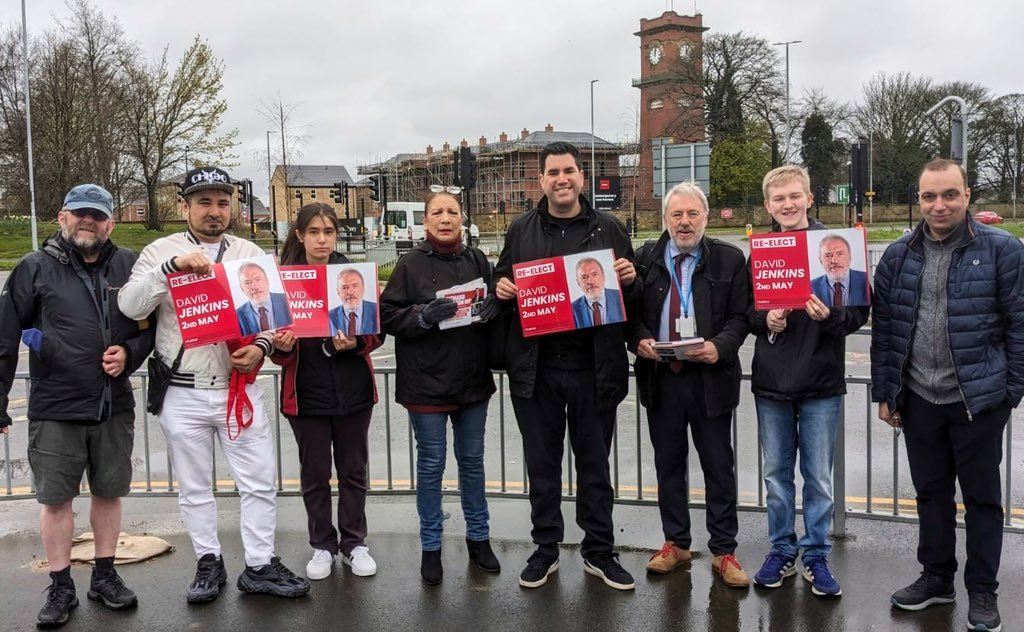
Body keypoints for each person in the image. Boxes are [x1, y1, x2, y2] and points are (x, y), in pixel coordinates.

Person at [118, 166, 309, 603]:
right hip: (182, 391)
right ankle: (208, 561)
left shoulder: (248, 252)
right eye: (204, 202)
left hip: (236, 387)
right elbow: (130, 306)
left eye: (223, 202)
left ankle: (260, 563)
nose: (214, 211)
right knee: (195, 486)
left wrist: (261, 346)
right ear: (184, 206)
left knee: (259, 482)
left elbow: (275, 316)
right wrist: (171, 268)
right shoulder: (159, 250)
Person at [872, 158, 1023, 632]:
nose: (940, 205)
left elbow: (1020, 325)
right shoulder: (898, 254)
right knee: (930, 494)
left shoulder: (1003, 250)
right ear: (919, 199)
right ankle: (936, 578)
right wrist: (886, 392)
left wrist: (1010, 391)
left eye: (949, 194)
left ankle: (983, 591)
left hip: (978, 400)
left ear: (967, 195)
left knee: (981, 499)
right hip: (919, 399)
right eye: (930, 196)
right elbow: (887, 331)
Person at [0, 184, 154, 628]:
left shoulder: (129, 264)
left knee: (109, 494)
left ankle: (104, 576)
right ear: (62, 218)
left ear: (110, 222)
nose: (89, 221)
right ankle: (61, 585)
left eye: (98, 215)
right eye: (80, 214)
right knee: (56, 502)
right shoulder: (33, 268)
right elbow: (5, 337)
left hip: (112, 404)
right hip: (55, 405)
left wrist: (130, 352)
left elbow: (150, 324)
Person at [494, 142, 639, 591]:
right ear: (542, 181)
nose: (562, 179)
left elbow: (630, 300)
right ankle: (546, 549)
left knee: (595, 466)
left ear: (582, 177)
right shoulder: (521, 231)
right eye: (553, 172)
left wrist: (631, 281)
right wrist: (500, 288)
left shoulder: (609, 228)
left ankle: (599, 551)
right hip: (537, 371)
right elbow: (501, 281)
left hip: (594, 370)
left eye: (569, 171)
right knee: (543, 465)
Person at [748, 165, 869, 598]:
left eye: (795, 196)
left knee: (817, 478)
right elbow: (745, 312)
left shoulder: (835, 247)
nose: (788, 204)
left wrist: (830, 316)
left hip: (821, 384)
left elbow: (858, 313)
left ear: (810, 198)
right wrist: (768, 318)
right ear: (768, 205)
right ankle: (781, 549)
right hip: (772, 383)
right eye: (779, 199)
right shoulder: (760, 252)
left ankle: (815, 554)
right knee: (777, 476)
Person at [630, 183, 751, 587]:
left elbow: (741, 317)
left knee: (718, 466)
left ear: (706, 215)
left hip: (710, 379)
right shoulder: (645, 259)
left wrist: (721, 348)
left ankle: (724, 550)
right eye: (676, 215)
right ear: (665, 218)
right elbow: (629, 314)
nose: (684, 222)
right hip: (662, 377)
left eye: (692, 214)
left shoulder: (730, 260)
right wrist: (640, 340)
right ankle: (676, 544)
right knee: (669, 465)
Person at [380, 185, 501, 585]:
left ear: (462, 219)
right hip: (425, 385)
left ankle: (479, 538)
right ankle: (431, 546)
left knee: (473, 464)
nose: (446, 219)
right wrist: (421, 315)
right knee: (431, 467)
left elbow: (495, 304)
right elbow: (385, 316)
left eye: (452, 212)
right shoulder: (409, 265)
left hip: (472, 382)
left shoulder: (477, 259)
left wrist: (493, 308)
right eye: (437, 213)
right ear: (426, 221)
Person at [271, 203, 382, 580]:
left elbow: (375, 332)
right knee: (315, 475)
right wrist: (283, 347)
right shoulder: (283, 282)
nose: (322, 239)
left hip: (353, 392)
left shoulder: (353, 275)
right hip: (306, 395)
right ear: (299, 235)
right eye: (314, 232)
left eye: (329, 232)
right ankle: (322, 545)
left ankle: (354, 543)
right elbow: (275, 348)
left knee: (353, 472)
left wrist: (357, 343)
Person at [809, 234, 869, 307]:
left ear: (850, 257)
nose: (834, 260)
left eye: (840, 254)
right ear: (821, 260)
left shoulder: (864, 280)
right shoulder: (812, 287)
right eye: (828, 256)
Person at [235, 262, 292, 335]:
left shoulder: (288, 300)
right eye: (247, 283)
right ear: (242, 288)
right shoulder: (237, 316)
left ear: (267, 281)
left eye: (258, 279)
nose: (254, 287)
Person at [570, 257, 625, 328]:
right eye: (584, 277)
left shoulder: (620, 296)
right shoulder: (572, 309)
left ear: (603, 276)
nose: (590, 282)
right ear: (578, 283)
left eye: (594, 274)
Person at [328, 268, 378, 336]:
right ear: (338, 292)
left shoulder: (377, 310)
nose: (350, 292)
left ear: (363, 288)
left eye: (355, 286)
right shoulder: (330, 316)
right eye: (344, 288)